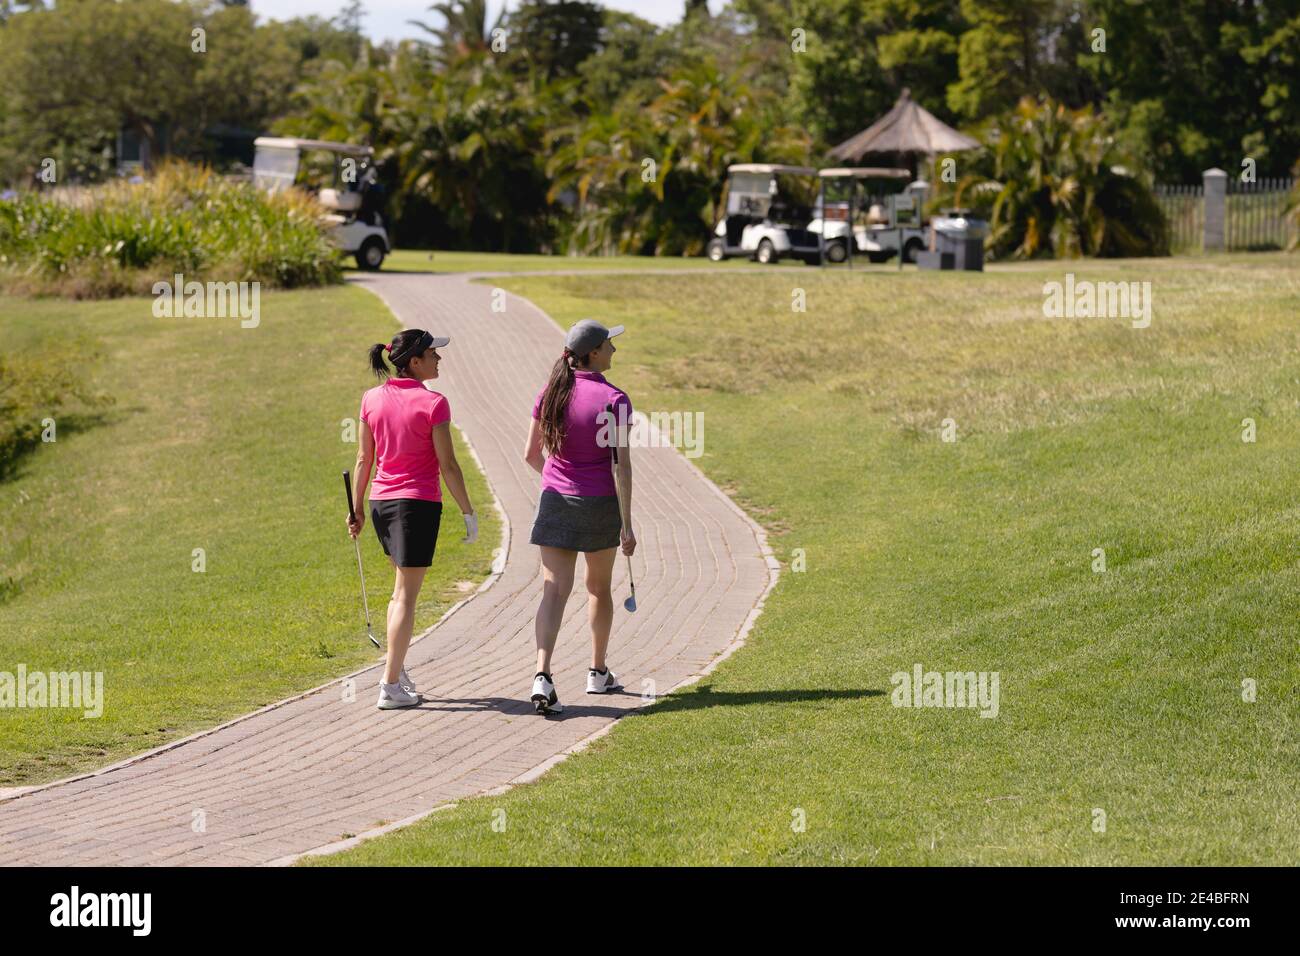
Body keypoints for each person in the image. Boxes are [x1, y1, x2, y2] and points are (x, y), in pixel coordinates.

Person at [348, 328, 478, 710]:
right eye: (433, 354)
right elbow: (449, 464)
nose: (439, 360)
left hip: (381, 504)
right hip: (416, 506)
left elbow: (362, 460)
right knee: (407, 595)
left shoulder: (371, 398)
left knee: (398, 592)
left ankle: (397, 670)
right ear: (415, 362)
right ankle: (389, 686)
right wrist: (468, 511)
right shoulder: (434, 403)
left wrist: (356, 509)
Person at [524, 319, 636, 715]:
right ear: (592, 353)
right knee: (598, 589)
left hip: (555, 500)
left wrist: (559, 483)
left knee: (553, 591)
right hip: (600, 504)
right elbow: (621, 467)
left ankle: (542, 674)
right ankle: (597, 672)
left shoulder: (550, 392)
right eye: (609, 344)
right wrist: (627, 523)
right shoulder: (615, 399)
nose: (614, 350)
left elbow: (531, 455)